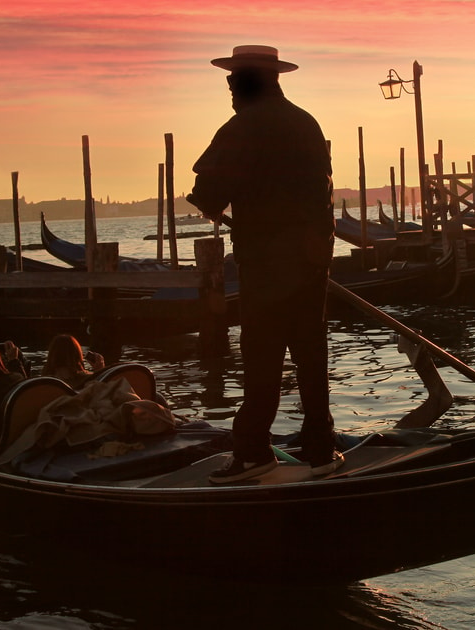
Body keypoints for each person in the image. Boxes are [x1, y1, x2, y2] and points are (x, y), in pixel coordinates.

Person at [187, 45, 342, 483]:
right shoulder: (306, 123)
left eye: (233, 81)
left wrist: (209, 200)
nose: (230, 90)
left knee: (262, 358)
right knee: (311, 355)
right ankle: (321, 448)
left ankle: (254, 451)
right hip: (312, 262)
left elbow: (209, 192)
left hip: (266, 264)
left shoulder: (242, 127)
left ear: (249, 81)